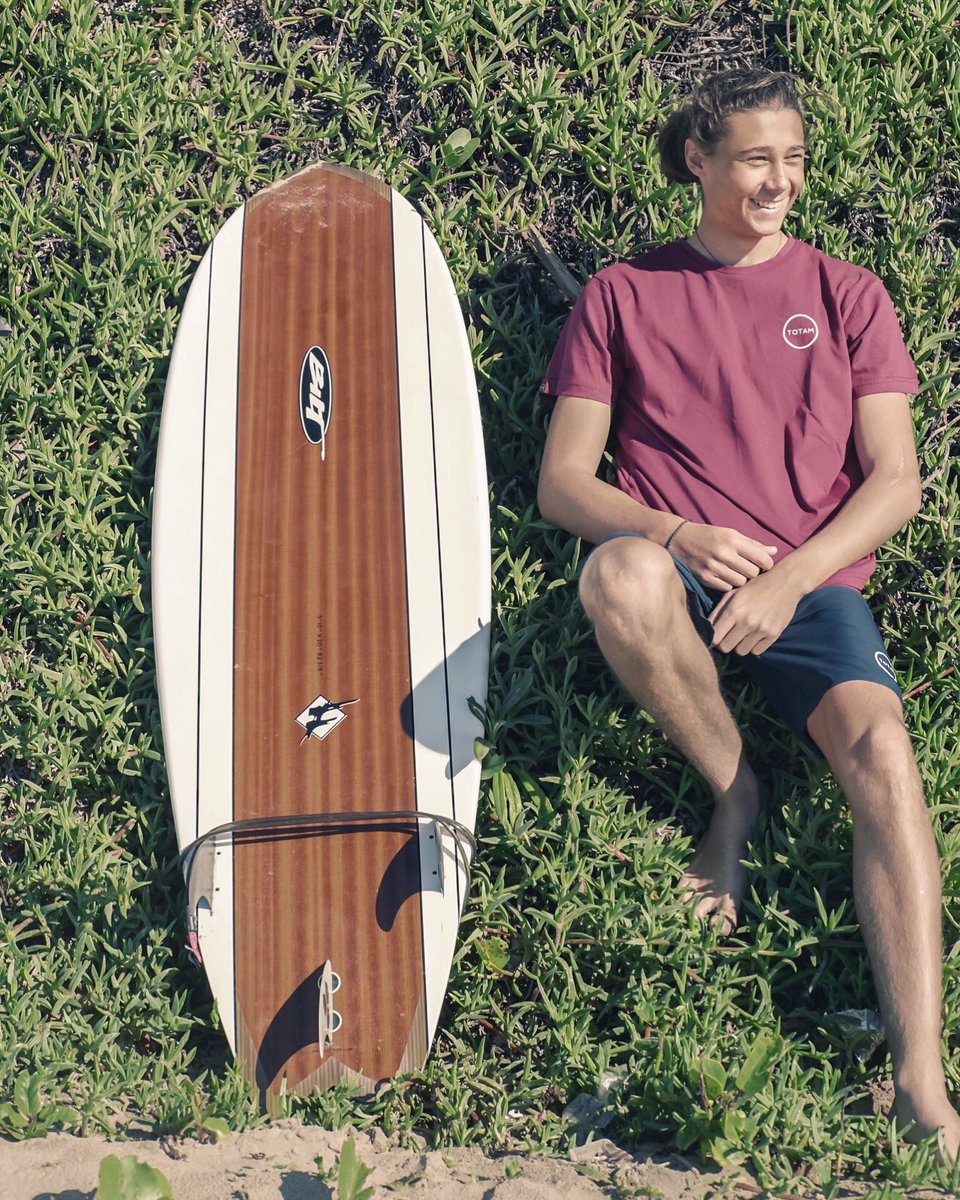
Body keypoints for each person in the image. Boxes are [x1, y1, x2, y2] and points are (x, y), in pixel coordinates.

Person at [536, 66, 960, 1161]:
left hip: (810, 579)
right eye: (757, 159)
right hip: (678, 566)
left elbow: (898, 480)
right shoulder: (624, 294)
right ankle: (735, 793)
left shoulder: (848, 292)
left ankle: (922, 1076)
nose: (780, 182)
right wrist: (677, 536)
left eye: (795, 161)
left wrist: (789, 577)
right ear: (700, 161)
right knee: (614, 574)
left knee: (885, 755)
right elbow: (564, 484)